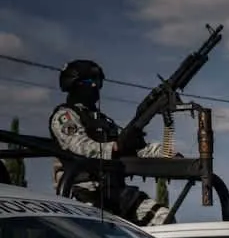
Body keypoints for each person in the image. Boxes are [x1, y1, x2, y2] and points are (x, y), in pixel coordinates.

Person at [49, 58, 173, 226]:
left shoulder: (103, 121)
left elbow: (137, 148)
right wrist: (114, 147)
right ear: (75, 84)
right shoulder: (65, 116)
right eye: (89, 81)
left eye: (97, 81)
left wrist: (166, 152)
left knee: (164, 218)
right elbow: (80, 146)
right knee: (101, 236)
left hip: (115, 192)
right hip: (82, 193)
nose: (95, 86)